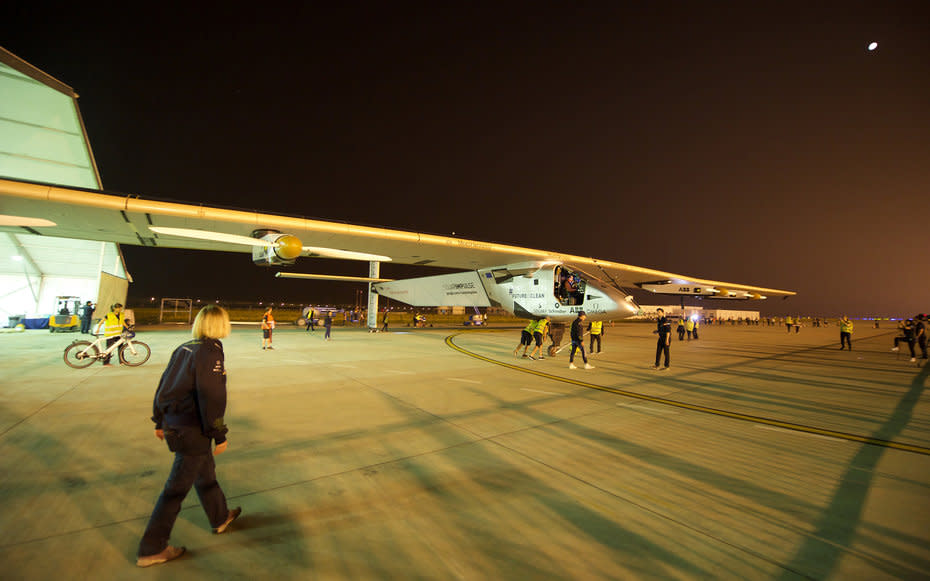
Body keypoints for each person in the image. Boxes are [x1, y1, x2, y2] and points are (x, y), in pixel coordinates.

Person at [136, 305, 241, 568]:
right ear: (219, 325)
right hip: (192, 429)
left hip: (176, 424)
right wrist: (219, 433)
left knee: (206, 474)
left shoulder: (185, 348)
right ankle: (152, 548)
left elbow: (164, 386)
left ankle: (220, 517)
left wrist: (159, 419)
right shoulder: (210, 352)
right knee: (175, 490)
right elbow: (212, 397)